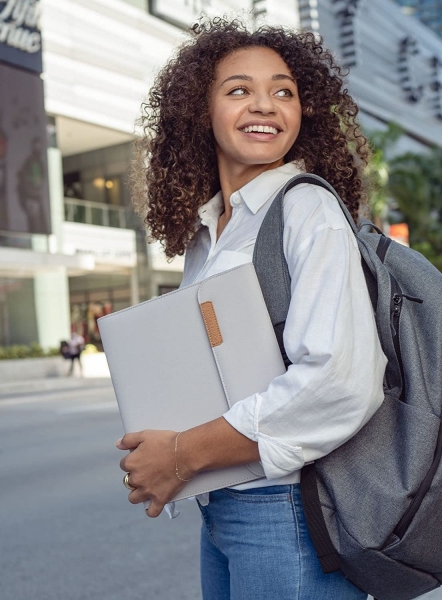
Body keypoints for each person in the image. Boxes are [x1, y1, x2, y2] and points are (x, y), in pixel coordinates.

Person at [116, 18, 387, 599]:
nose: (265, 104)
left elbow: (340, 382)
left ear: (303, 111)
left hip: (288, 513)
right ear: (200, 111)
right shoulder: (211, 231)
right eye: (238, 89)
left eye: (283, 91)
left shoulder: (306, 207)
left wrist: (183, 453)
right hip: (225, 509)